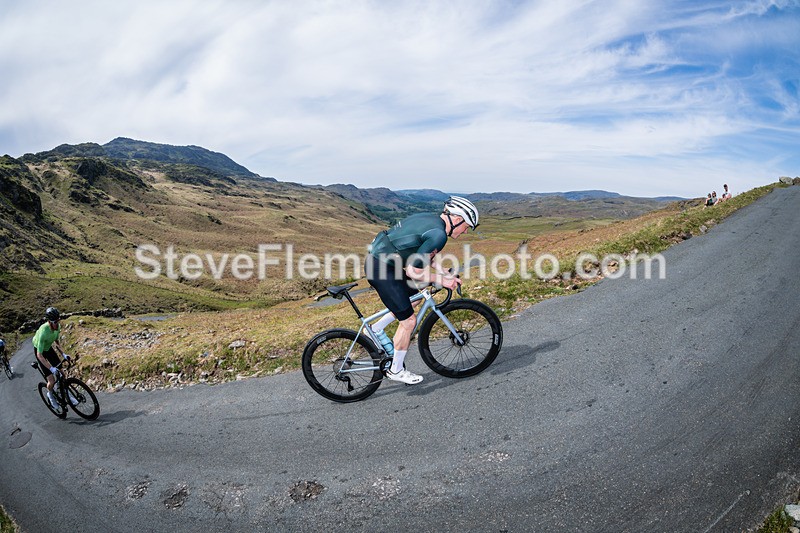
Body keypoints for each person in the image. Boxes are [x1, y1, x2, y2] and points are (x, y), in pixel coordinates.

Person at [365, 196, 478, 384]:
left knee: (416, 297)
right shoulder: (439, 235)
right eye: (466, 225)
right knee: (409, 322)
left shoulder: (434, 222)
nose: (466, 230)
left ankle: (376, 329)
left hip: (383, 262)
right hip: (382, 269)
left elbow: (425, 255)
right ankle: (396, 370)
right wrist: (441, 280)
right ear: (457, 219)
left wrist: (443, 272)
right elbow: (414, 270)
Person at [33, 307, 74, 409]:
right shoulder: (43, 332)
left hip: (49, 348)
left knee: (62, 373)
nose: (57, 323)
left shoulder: (57, 327)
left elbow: (56, 342)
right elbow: (39, 355)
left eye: (58, 321)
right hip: (40, 352)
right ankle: (50, 395)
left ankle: (66, 394)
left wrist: (63, 354)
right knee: (51, 380)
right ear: (49, 322)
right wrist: (51, 368)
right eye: (55, 322)